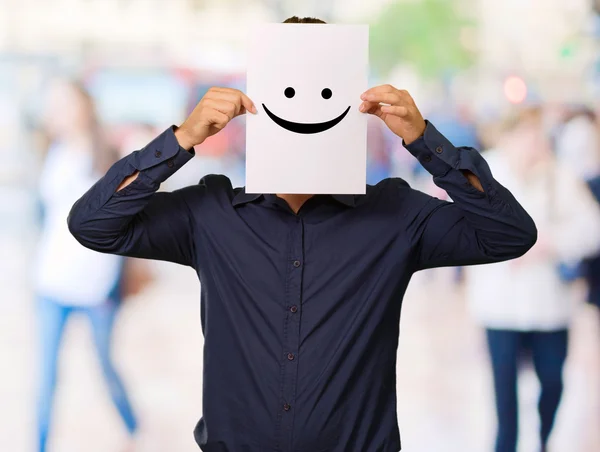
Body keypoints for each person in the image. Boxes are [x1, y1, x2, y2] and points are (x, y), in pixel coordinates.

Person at [67, 16, 537, 452]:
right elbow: (92, 224)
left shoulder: (395, 215)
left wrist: (425, 140)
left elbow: (509, 234)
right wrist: (181, 139)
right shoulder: (210, 213)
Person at [465, 107, 600, 452]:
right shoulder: (482, 174)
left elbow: (592, 228)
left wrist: (547, 243)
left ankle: (544, 439)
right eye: (527, 134)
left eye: (539, 134)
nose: (535, 142)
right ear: (507, 136)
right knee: (504, 394)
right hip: (499, 305)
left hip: (549, 305)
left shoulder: (560, 175)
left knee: (553, 382)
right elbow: (461, 226)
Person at [34, 80, 138, 452]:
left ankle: (133, 427)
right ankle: (39, 445)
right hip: (50, 282)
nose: (56, 112)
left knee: (106, 367)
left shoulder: (108, 152)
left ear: (85, 106)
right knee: (45, 376)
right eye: (53, 105)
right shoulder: (51, 149)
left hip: (96, 285)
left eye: (64, 103)